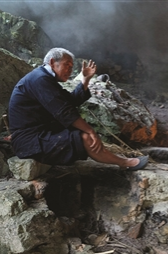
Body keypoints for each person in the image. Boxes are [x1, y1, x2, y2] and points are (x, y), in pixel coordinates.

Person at [8, 47, 148, 170]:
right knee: (86, 137)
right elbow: (64, 111)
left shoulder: (44, 78)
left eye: (71, 66)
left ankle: (121, 161)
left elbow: (70, 101)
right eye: (66, 65)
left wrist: (85, 79)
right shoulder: (39, 80)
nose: (69, 69)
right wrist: (90, 130)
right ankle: (125, 163)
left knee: (80, 132)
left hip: (38, 134)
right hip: (29, 141)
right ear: (52, 62)